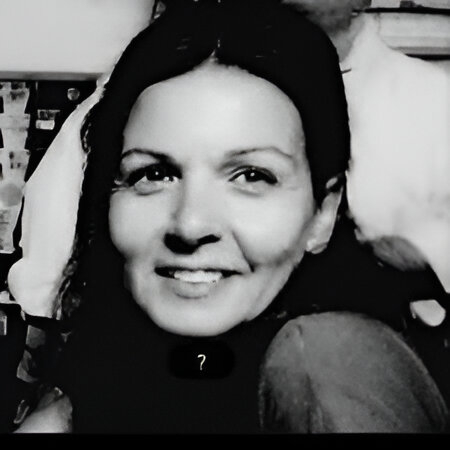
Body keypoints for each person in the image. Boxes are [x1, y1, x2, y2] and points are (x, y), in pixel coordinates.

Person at [10, 0, 450, 433]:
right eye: (154, 174)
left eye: (252, 176)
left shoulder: (327, 367)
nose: (190, 224)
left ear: (323, 212)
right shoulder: (93, 395)